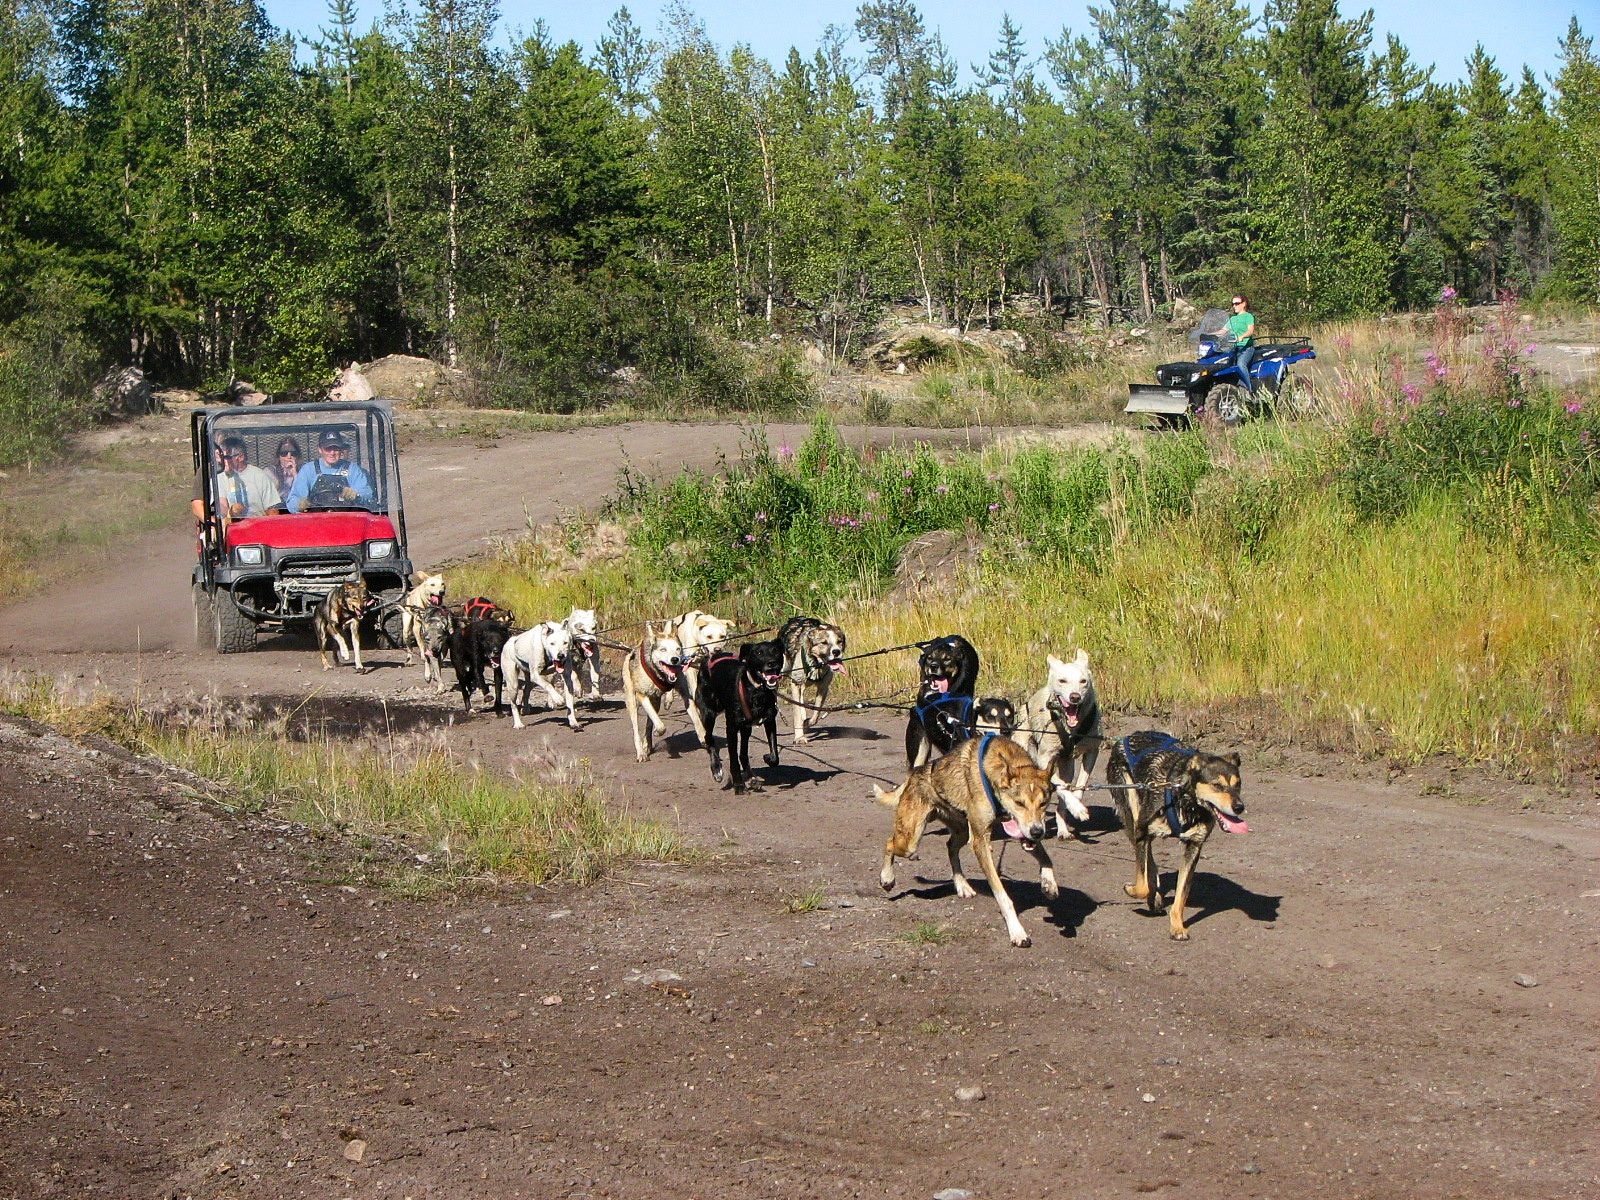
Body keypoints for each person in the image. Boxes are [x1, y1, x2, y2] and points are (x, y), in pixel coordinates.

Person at [284, 430, 375, 513]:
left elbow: (368, 495)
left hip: (347, 519)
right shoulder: (308, 470)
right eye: (328, 448)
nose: (332, 453)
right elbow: (293, 500)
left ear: (341, 449)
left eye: (336, 448)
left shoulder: (353, 469)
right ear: (320, 449)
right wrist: (300, 505)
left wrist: (356, 495)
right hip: (315, 520)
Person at [213, 436, 284, 519]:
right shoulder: (220, 478)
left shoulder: (259, 476)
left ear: (241, 457)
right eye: (221, 457)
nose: (222, 461)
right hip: (233, 524)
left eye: (227, 457)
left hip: (257, 522)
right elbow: (222, 507)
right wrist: (231, 512)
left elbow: (272, 509)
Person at [1226, 294, 1257, 395]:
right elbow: (1223, 330)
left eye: (1237, 303)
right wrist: (1209, 334)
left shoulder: (1248, 316)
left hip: (1246, 347)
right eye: (1233, 304)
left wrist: (1242, 336)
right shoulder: (1232, 319)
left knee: (1240, 364)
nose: (1234, 306)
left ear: (1244, 304)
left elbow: (1250, 330)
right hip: (1233, 347)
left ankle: (1249, 390)